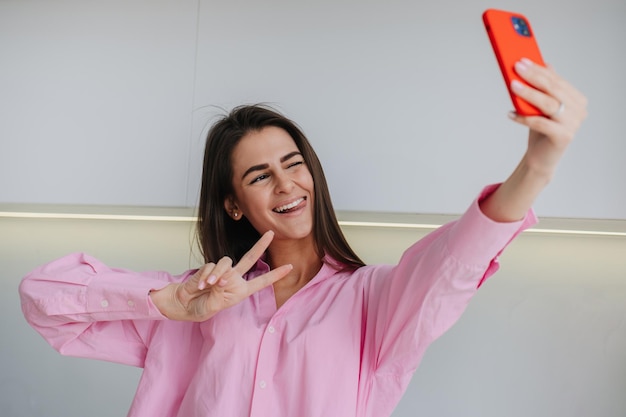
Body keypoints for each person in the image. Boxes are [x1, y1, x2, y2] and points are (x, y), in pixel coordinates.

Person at [19, 58, 587, 417]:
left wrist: (535, 168)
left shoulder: (374, 301)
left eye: (294, 164)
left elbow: (451, 264)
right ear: (232, 204)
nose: (287, 185)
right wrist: (169, 303)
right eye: (259, 175)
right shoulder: (200, 301)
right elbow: (43, 298)